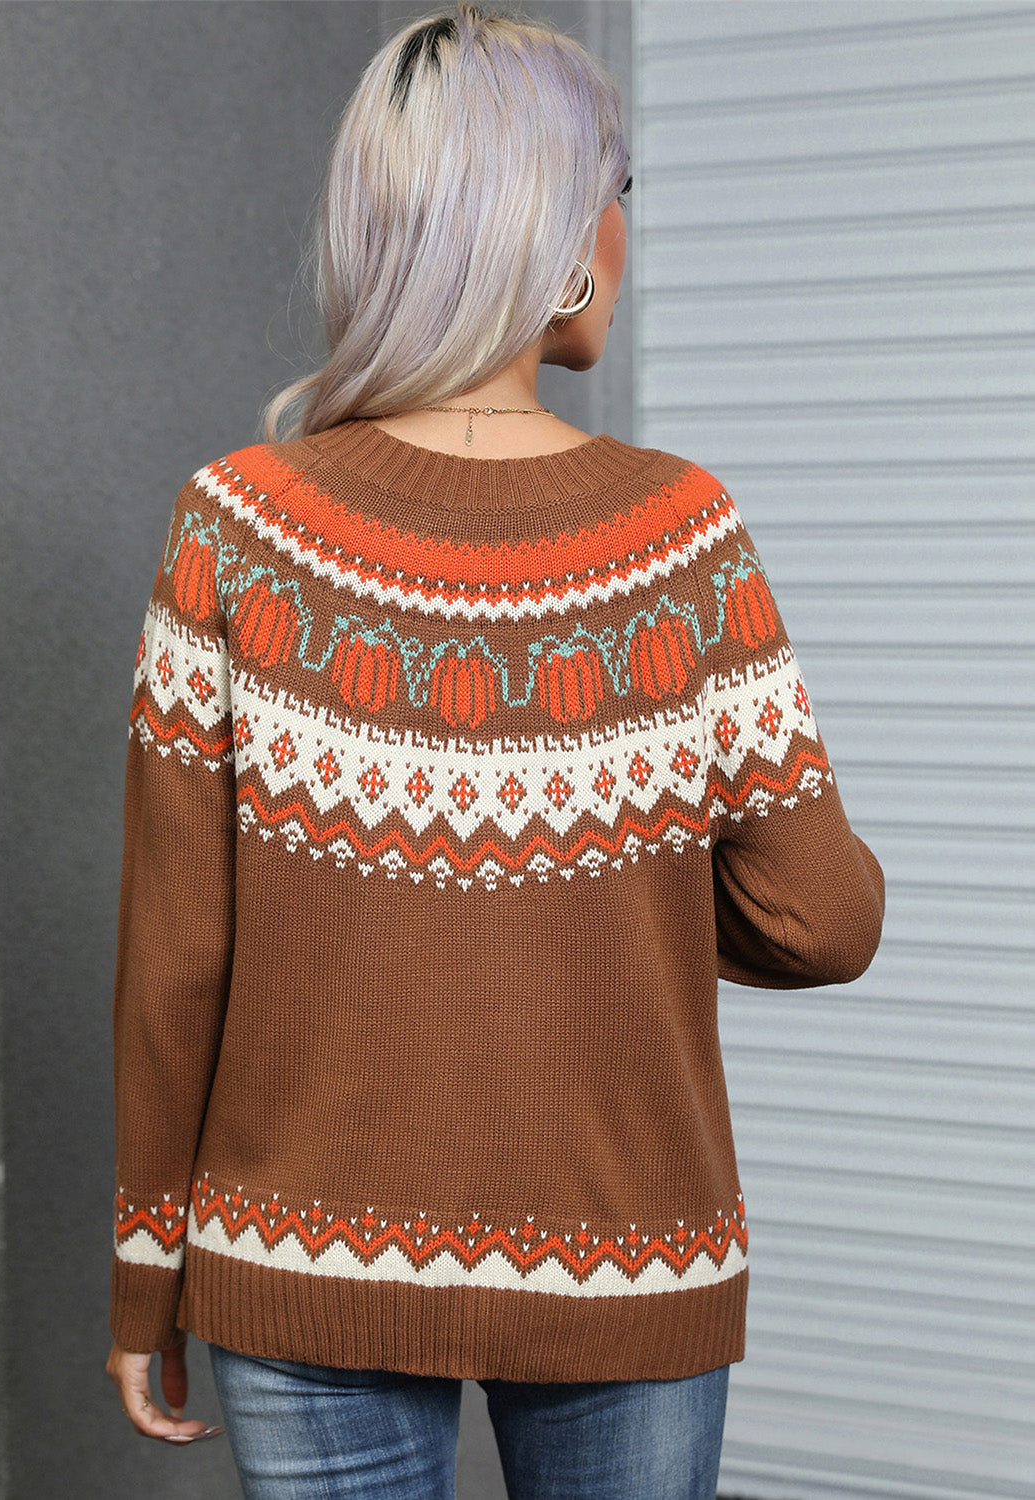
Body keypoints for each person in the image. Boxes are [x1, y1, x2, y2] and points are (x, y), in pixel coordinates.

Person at [105, 6, 885, 1496]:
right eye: (619, 192)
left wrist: (147, 1272)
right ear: (561, 238)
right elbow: (825, 920)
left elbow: (175, 957)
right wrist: (607, 874)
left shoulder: (234, 529)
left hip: (298, 1257)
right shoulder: (682, 540)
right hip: (629, 1256)